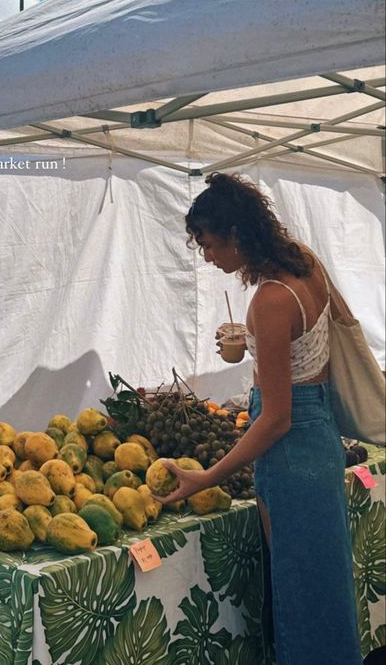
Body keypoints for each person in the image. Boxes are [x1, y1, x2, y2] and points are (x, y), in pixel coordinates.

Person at [154, 172, 363, 665]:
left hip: (291, 457)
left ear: (236, 236)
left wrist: (208, 475)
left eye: (207, 244)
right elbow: (310, 348)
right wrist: (248, 342)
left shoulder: (269, 301)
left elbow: (275, 419)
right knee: (325, 586)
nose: (206, 256)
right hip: (322, 437)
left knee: (298, 593)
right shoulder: (304, 263)